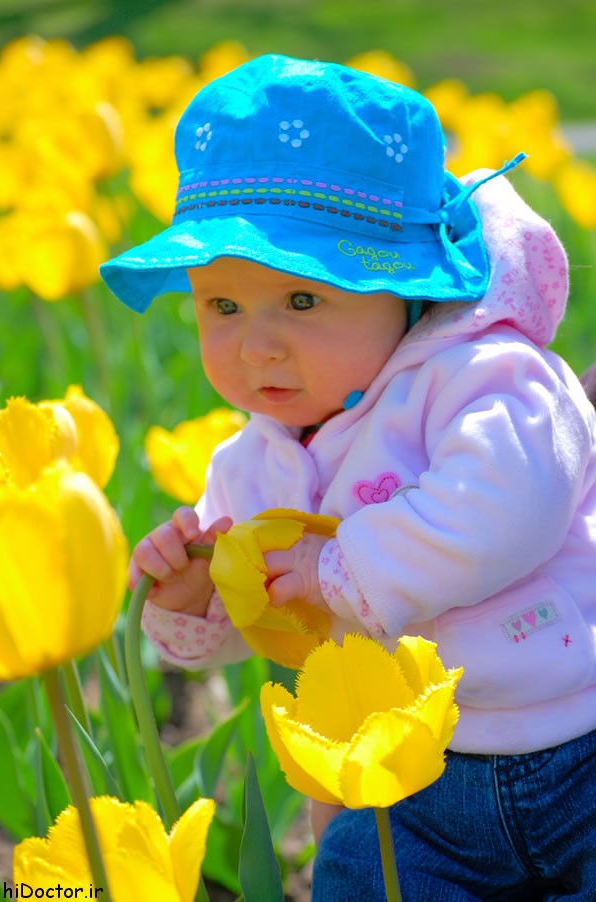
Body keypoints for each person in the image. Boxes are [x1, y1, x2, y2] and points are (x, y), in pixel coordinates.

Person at [101, 54, 596, 900]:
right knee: (358, 877)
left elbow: (509, 505)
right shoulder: (251, 464)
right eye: (223, 306)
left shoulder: (484, 379)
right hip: (413, 788)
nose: (257, 347)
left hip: (577, 739)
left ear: (405, 288)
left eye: (302, 301)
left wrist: (343, 567)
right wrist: (195, 603)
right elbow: (271, 612)